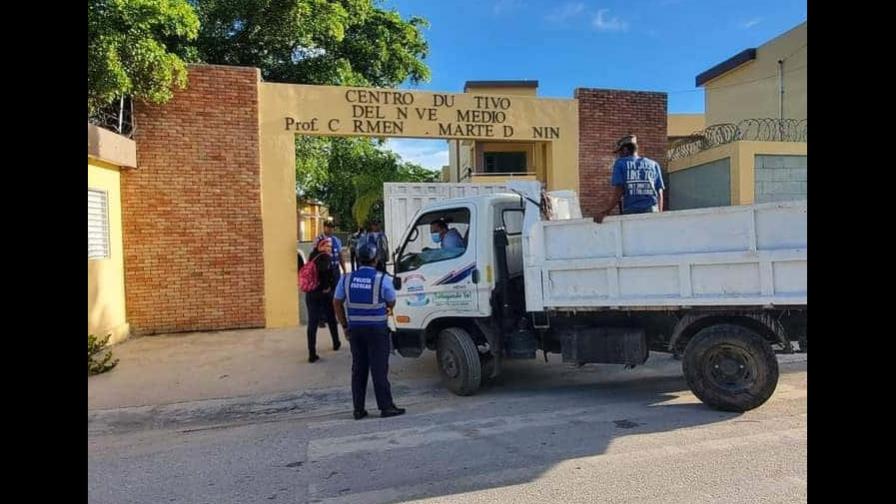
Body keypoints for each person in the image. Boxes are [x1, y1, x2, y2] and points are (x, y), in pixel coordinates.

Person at [333, 242, 405, 420]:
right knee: (379, 369)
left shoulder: (346, 279)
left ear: (358, 258)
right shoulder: (382, 279)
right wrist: (386, 307)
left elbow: (336, 302)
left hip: (355, 330)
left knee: (359, 369)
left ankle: (358, 410)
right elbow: (391, 300)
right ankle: (386, 407)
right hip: (377, 330)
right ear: (376, 259)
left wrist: (344, 326)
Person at [595, 134, 665, 222]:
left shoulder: (620, 163)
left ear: (625, 150)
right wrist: (660, 215)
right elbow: (659, 192)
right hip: (652, 211)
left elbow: (619, 190)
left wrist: (607, 211)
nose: (619, 155)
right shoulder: (653, 164)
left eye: (619, 152)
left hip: (632, 211)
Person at [305, 238, 342, 363]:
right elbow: (325, 272)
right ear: (321, 246)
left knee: (312, 323)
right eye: (327, 246)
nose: (329, 249)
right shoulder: (325, 258)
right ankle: (336, 342)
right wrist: (327, 287)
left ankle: (312, 352)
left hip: (311, 293)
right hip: (323, 293)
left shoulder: (312, 256)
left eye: (330, 247)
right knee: (331, 317)